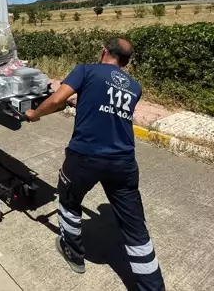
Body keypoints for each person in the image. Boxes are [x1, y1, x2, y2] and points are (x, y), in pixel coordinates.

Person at [25, 38, 166, 291]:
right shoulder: (134, 87)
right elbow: (110, 108)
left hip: (85, 157)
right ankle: (153, 287)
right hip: (123, 162)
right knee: (135, 228)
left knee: (69, 201)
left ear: (104, 51)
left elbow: (56, 100)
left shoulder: (85, 70)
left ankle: (74, 253)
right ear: (125, 61)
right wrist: (79, 101)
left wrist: (35, 114)